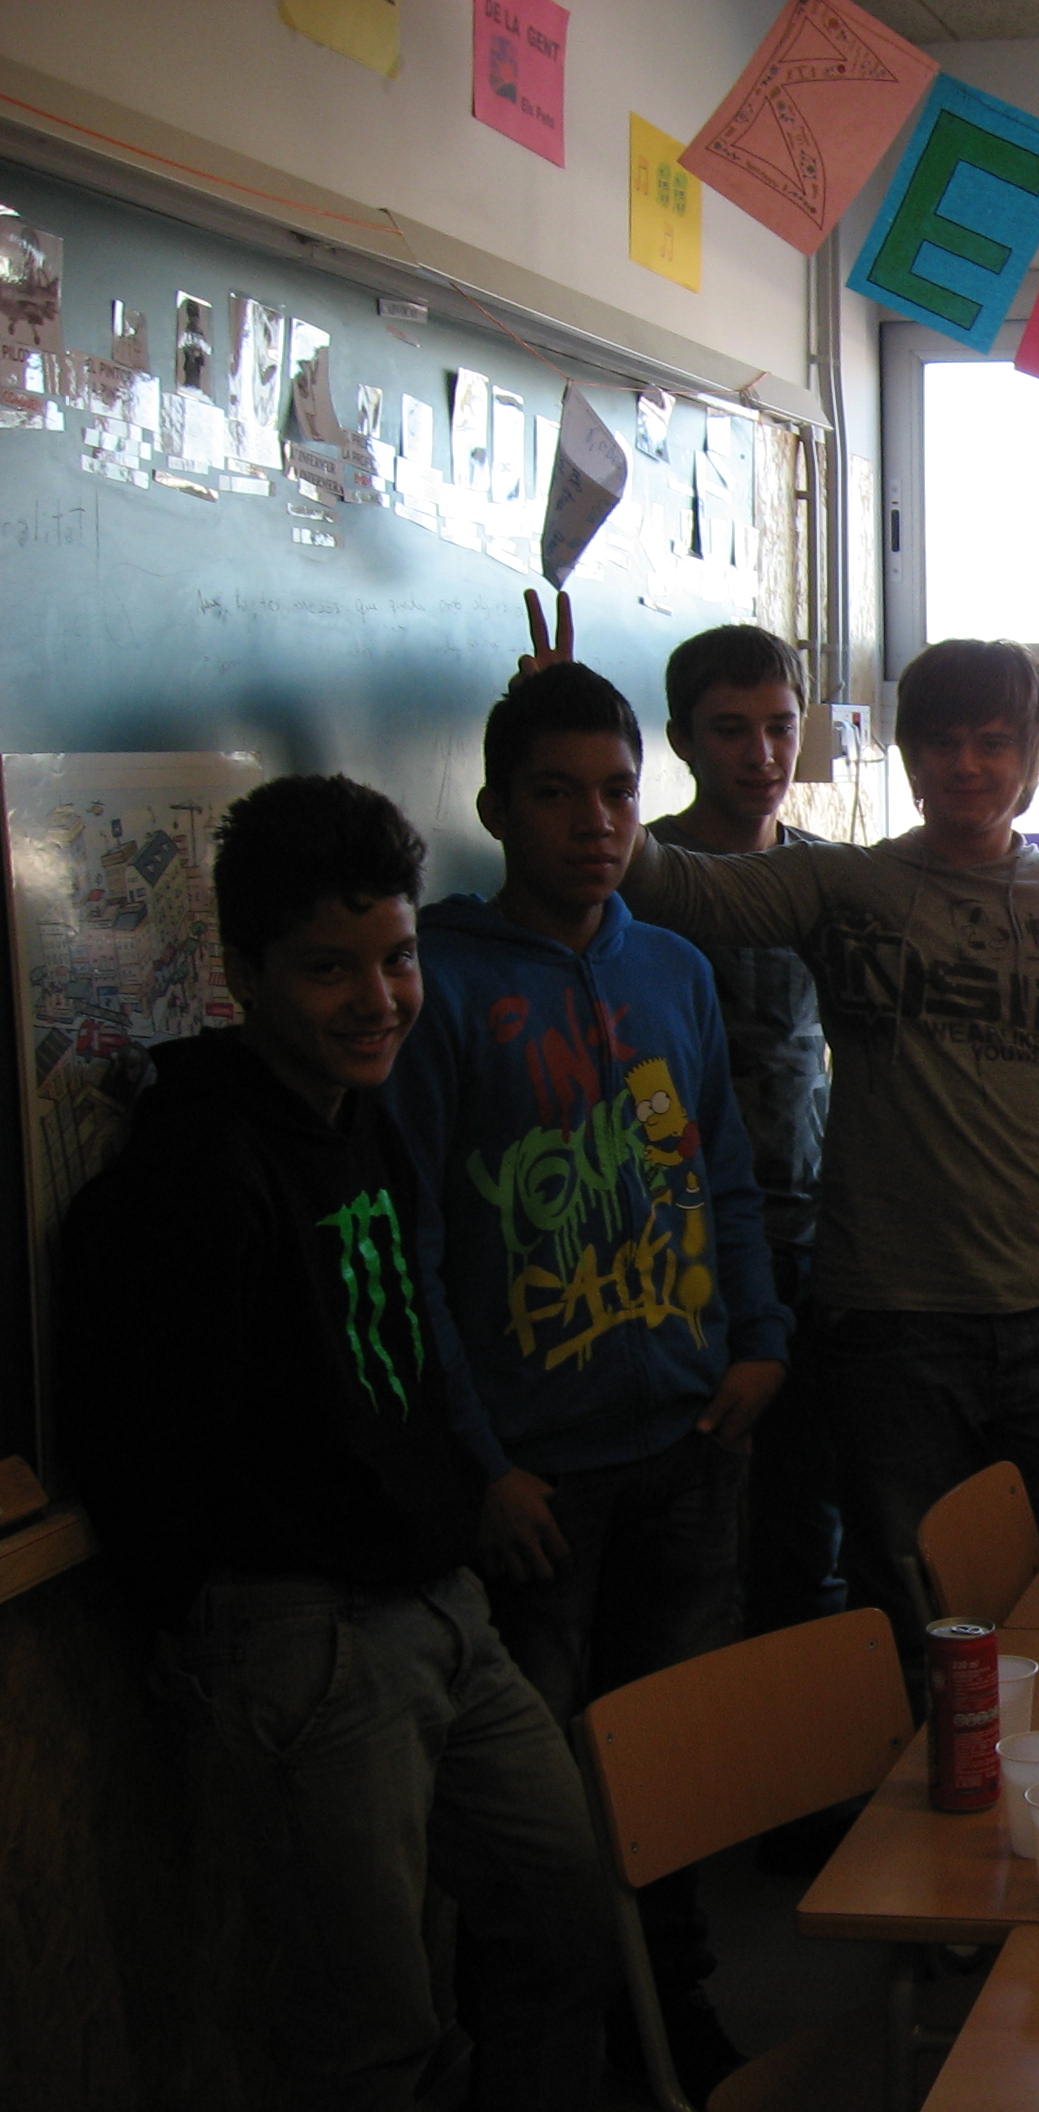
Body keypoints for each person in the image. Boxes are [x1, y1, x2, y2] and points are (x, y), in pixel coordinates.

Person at [63, 774, 612, 2111]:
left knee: (564, 1908)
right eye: (329, 969)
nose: (378, 1000)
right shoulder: (192, 1174)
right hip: (302, 1639)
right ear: (244, 972)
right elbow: (149, 1461)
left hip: (437, 1601)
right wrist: (238, 1627)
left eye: (397, 959)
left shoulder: (362, 1114)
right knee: (366, 2033)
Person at [386, 664, 789, 2094]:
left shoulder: (670, 968)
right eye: (556, 795)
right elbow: (413, 1248)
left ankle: (670, 2023)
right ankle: (542, 2065)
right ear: (496, 808)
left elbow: (721, 1171)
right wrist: (479, 1463)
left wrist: (759, 1341)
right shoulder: (438, 984)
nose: (595, 823)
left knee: (673, 1782)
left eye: (617, 793)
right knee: (540, 1833)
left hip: (686, 1440)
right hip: (539, 1484)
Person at [616, 636, 1039, 1675]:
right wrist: (598, 773)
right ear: (910, 756)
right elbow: (673, 888)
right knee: (912, 1610)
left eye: (993, 743)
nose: (967, 765)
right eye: (943, 742)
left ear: (1032, 756)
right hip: (886, 1322)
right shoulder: (841, 885)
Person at [641, 616, 840, 1636]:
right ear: (681, 739)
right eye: (730, 730)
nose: (761, 755)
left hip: (813, 1239)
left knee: (806, 1529)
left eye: (779, 726)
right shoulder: (641, 876)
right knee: (698, 1547)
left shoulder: (827, 877)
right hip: (683, 1254)